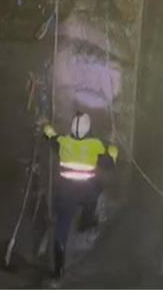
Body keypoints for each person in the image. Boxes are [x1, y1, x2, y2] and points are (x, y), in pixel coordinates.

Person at [41, 111, 119, 279]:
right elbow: (110, 164)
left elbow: (50, 136)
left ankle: (58, 271)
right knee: (98, 188)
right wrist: (113, 148)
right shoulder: (95, 145)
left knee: (61, 230)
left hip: (65, 195)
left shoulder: (63, 141)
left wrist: (45, 125)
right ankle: (87, 220)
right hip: (86, 193)